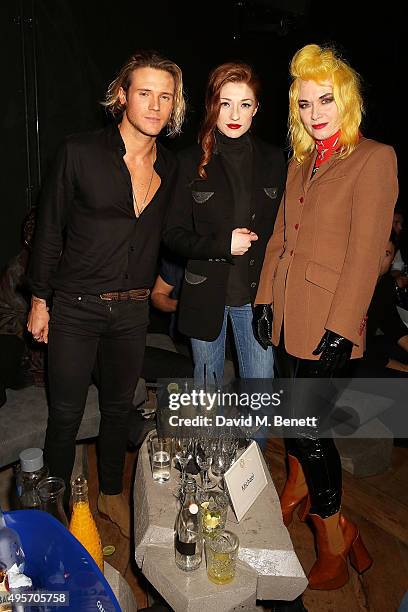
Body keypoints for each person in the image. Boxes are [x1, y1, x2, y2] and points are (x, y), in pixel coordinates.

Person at [253, 43, 398, 589]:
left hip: (331, 318)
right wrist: (266, 297)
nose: (315, 113)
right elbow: (279, 239)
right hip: (292, 311)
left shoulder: (373, 157)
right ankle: (300, 489)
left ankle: (335, 538)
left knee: (310, 432)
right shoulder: (300, 161)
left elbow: (366, 255)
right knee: (295, 423)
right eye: (305, 103)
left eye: (325, 101)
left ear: (347, 101)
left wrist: (343, 327)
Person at [27, 50, 185, 536]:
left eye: (166, 96)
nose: (156, 105)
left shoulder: (172, 167)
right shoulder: (79, 152)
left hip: (132, 310)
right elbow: (49, 228)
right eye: (145, 93)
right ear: (122, 96)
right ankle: (55, 512)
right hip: (74, 306)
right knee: (66, 413)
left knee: (120, 408)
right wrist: (39, 299)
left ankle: (111, 493)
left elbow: (177, 236)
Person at [163, 62, 286, 384]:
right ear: (211, 106)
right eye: (225, 103)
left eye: (244, 104)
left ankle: (254, 439)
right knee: (208, 395)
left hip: (257, 296)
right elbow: (171, 235)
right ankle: (210, 438)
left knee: (260, 392)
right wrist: (221, 245)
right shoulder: (187, 161)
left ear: (256, 108)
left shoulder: (276, 160)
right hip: (205, 297)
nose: (234, 115)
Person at [352, 231, 408, 376]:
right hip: (349, 358)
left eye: (387, 253)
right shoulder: (353, 285)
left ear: (393, 260)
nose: (379, 258)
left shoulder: (384, 285)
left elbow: (393, 326)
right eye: (376, 250)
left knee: (391, 346)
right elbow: (361, 351)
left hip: (368, 350)